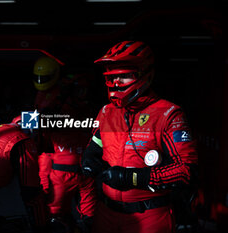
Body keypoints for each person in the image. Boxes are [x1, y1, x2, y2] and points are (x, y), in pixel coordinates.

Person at [81, 41, 198, 233]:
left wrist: (133, 178)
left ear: (145, 74)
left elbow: (187, 171)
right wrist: (88, 158)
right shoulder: (105, 112)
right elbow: (95, 146)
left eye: (124, 76)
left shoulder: (168, 114)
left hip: (149, 217)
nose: (116, 83)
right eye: (111, 77)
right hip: (105, 214)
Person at [33, 56, 98, 233]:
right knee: (59, 214)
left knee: (83, 217)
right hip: (71, 162)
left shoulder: (73, 92)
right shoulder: (47, 97)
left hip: (77, 164)